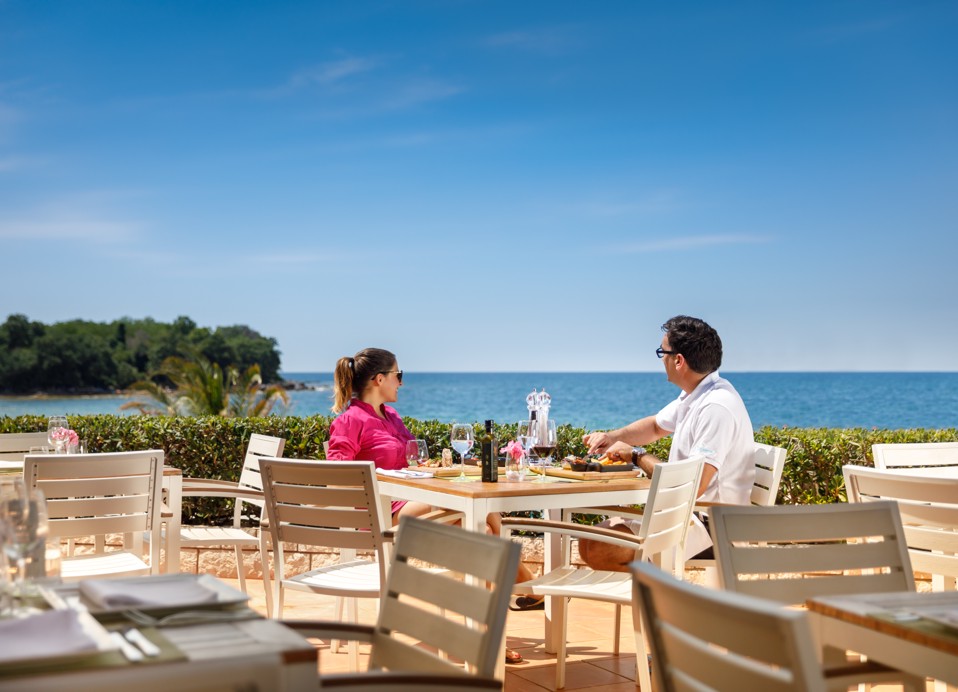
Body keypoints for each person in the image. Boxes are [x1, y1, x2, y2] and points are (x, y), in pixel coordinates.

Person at [579, 315, 755, 571]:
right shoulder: (697, 394)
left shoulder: (716, 407)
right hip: (690, 516)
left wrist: (637, 455)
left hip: (714, 527)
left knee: (597, 547)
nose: (662, 359)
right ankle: (661, 599)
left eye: (663, 352)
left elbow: (693, 486)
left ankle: (663, 601)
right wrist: (612, 438)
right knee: (591, 540)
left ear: (679, 360)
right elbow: (656, 426)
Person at [326, 347, 434, 523]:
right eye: (399, 375)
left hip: (406, 499)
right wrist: (379, 480)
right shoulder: (350, 421)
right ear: (380, 379)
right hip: (378, 512)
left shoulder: (392, 415)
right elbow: (336, 480)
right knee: (465, 503)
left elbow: (414, 459)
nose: (401, 383)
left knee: (484, 528)